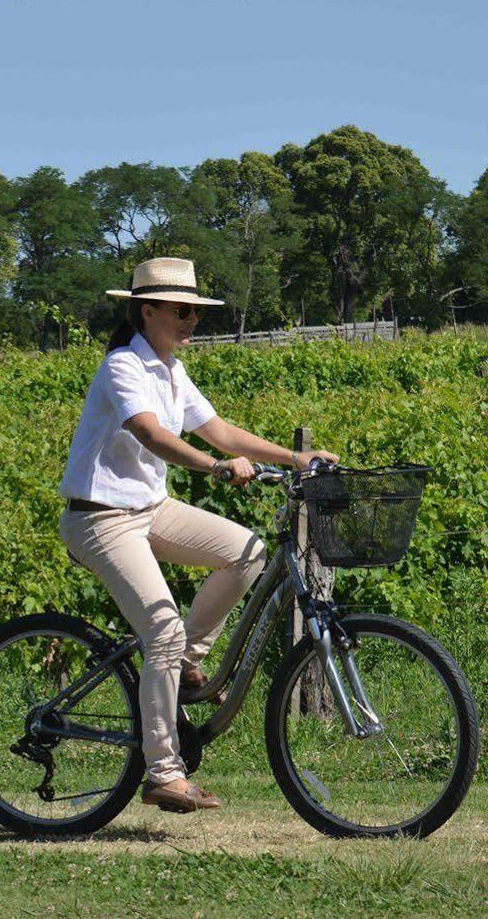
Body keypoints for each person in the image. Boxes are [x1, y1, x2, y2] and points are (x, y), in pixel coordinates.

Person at [59, 258, 337, 814]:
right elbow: (150, 433)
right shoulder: (123, 366)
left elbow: (219, 430)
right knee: (159, 630)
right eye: (182, 311)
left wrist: (295, 458)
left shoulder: (171, 369)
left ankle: (188, 658)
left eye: (196, 312)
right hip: (100, 517)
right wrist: (214, 468)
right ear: (147, 311)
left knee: (247, 552)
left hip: (150, 508)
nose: (192, 321)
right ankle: (163, 771)